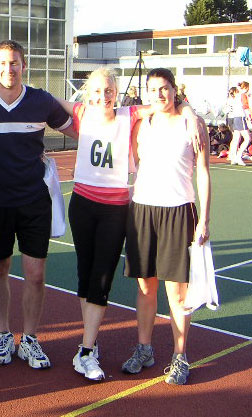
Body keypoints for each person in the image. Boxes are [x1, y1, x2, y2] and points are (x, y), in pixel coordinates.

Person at [55, 68, 202, 381]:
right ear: (87, 94)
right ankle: (91, 341)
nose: (103, 97)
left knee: (103, 276)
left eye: (109, 90)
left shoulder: (130, 114)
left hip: (118, 208)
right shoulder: (83, 112)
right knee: (86, 274)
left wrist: (190, 110)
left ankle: (88, 348)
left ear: (117, 91)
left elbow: (166, 102)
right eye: (97, 91)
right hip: (83, 204)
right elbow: (47, 99)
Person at [0, 40, 75, 370]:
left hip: (34, 201)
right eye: (3, 63)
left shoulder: (40, 100)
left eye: (15, 62)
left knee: (35, 274)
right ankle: (4, 333)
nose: (10, 68)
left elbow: (78, 127)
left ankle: (30, 338)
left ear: (24, 65)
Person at [122, 68, 211, 386]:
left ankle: (180, 356)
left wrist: (204, 219)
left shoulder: (193, 125)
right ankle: (144, 349)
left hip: (178, 211)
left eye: (164, 88)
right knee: (146, 287)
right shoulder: (141, 124)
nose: (159, 94)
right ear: (146, 93)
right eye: (153, 89)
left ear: (174, 90)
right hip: (143, 211)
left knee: (177, 291)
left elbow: (203, 173)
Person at [227, 82, 251, 165]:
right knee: (247, 138)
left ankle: (233, 157)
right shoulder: (242, 95)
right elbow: (245, 107)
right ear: (245, 88)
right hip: (240, 117)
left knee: (236, 138)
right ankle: (238, 156)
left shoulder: (236, 96)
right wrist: (249, 116)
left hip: (235, 117)